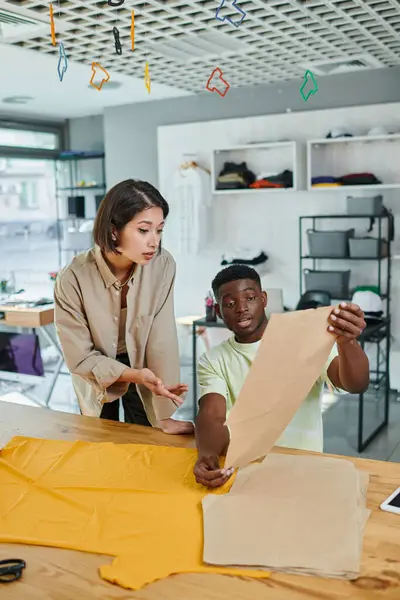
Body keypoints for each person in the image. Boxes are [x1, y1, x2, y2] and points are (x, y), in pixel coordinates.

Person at [193, 265, 370, 488]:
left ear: (264, 299)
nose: (241, 308)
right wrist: (207, 453)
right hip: (248, 471)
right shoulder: (214, 359)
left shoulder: (304, 339)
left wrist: (348, 343)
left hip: (304, 469)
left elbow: (355, 384)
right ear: (218, 312)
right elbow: (211, 413)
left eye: (250, 298)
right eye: (230, 303)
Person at [54, 179, 192, 434]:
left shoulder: (163, 265)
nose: (154, 242)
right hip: (95, 367)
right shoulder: (72, 278)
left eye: (159, 230)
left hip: (141, 359)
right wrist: (136, 375)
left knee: (146, 434)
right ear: (114, 230)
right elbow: (80, 356)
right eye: (143, 230)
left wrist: (164, 413)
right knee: (100, 435)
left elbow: (161, 338)